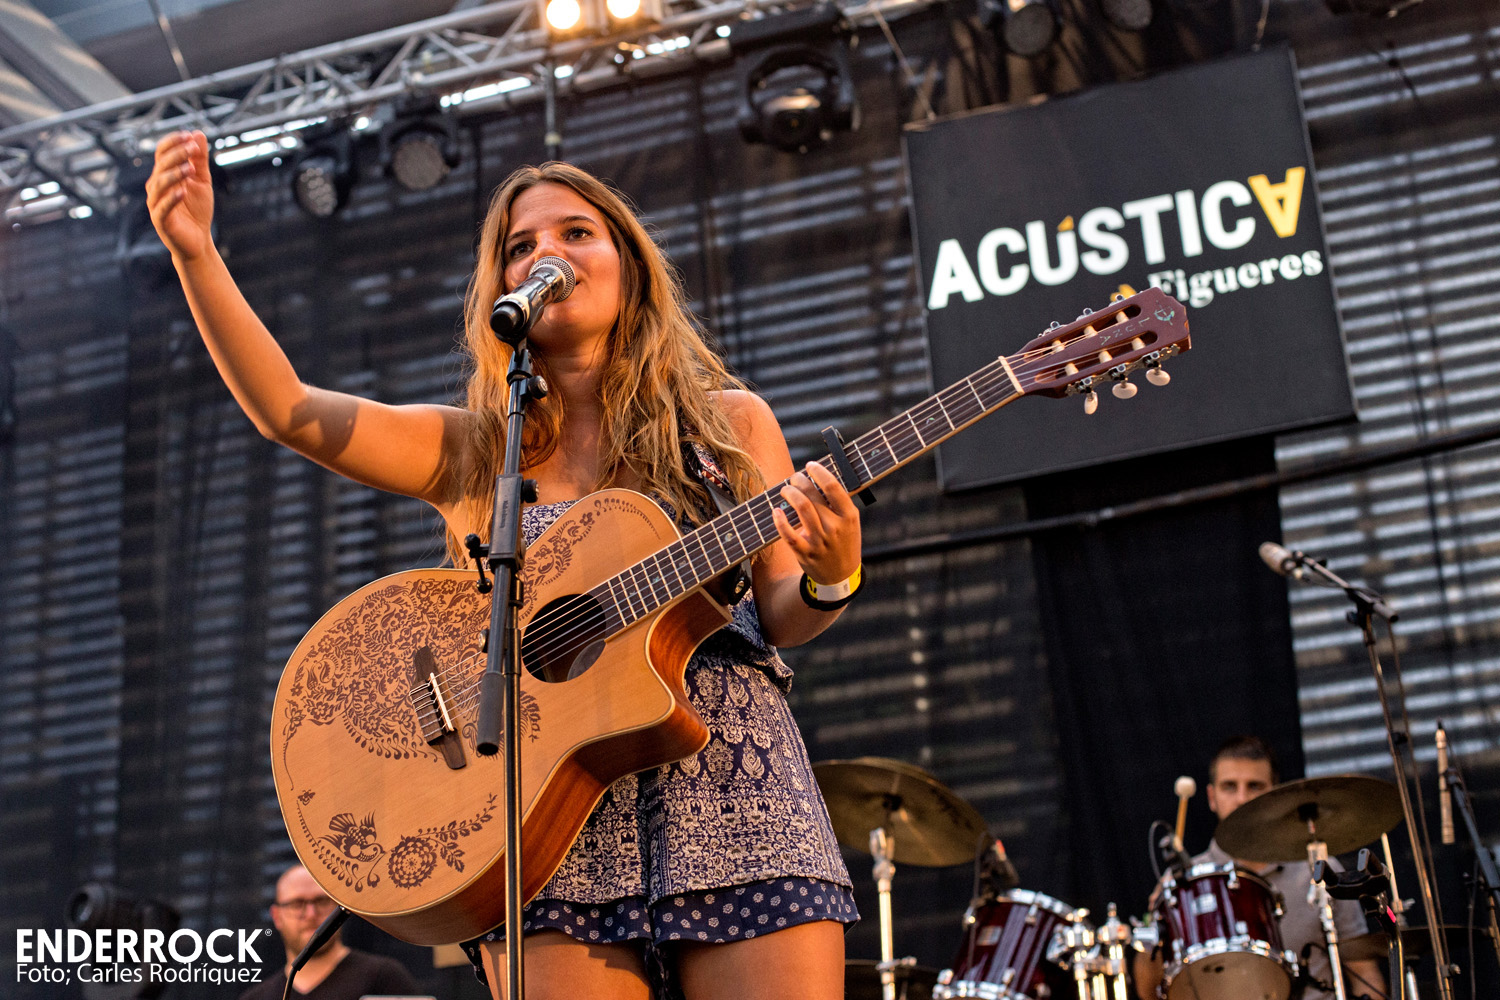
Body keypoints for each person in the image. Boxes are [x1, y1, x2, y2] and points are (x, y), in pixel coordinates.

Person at [147, 133, 863, 1000]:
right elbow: (289, 411)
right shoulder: (477, 452)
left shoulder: (729, 425)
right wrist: (196, 253)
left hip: (737, 789)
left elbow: (781, 610)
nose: (545, 255)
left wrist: (831, 574)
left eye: (575, 233)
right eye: (520, 247)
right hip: (536, 822)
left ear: (629, 267)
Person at [1134, 737, 1387, 1000]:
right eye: (1229, 787)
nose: (1242, 798)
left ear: (1274, 795)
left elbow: (1365, 974)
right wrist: (1155, 927)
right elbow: (1149, 992)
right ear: (1211, 797)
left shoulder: (1320, 870)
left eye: (1254, 786)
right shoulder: (1182, 886)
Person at [238, 864, 421, 1000]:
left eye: (322, 901)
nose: (311, 914)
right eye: (297, 904)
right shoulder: (256, 997)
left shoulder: (384, 978)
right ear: (277, 916)